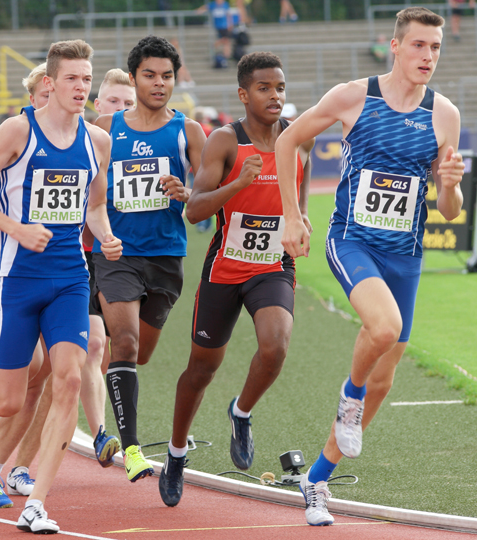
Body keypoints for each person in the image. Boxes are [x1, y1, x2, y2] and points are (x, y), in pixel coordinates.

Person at [275, 7, 464, 526]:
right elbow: (287, 139)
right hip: (351, 240)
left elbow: (450, 210)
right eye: (420, 45)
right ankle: (348, 398)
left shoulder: (443, 114)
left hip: (405, 252)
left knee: (387, 373)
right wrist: (292, 217)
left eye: (436, 48)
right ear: (396, 46)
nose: (428, 56)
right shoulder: (353, 96)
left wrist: (449, 182)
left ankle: (316, 479)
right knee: (384, 326)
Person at [0, 39, 123, 534]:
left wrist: (108, 235)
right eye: (72, 78)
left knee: (69, 378)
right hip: (16, 278)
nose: (81, 87)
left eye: (87, 79)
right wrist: (15, 229)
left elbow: (94, 206)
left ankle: (36, 504)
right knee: (8, 402)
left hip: (71, 277)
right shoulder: (18, 130)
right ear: (49, 82)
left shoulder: (98, 141)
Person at [158, 51, 314, 507]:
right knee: (201, 369)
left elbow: (296, 209)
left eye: (280, 88)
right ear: (244, 94)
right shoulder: (225, 141)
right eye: (264, 88)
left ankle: (241, 411)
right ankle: (176, 452)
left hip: (271, 266)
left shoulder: (295, 140)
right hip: (225, 267)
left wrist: (297, 243)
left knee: (276, 344)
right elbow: (195, 209)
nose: (275, 96)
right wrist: (239, 183)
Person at [92, 36, 206, 483]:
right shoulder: (104, 127)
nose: (159, 83)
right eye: (150, 75)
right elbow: (82, 184)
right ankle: (132, 450)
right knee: (125, 343)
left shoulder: (189, 132)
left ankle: (96, 378)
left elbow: (206, 201)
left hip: (166, 257)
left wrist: (188, 193)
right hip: (116, 254)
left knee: (140, 354)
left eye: (167, 76)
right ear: (134, 76)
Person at [197, 0, 232, 68]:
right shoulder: (213, 5)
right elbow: (205, 7)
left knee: (226, 41)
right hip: (218, 26)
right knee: (226, 41)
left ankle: (226, 55)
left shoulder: (225, 4)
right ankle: (221, 51)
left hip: (224, 26)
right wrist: (199, 11)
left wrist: (230, 23)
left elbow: (228, 15)